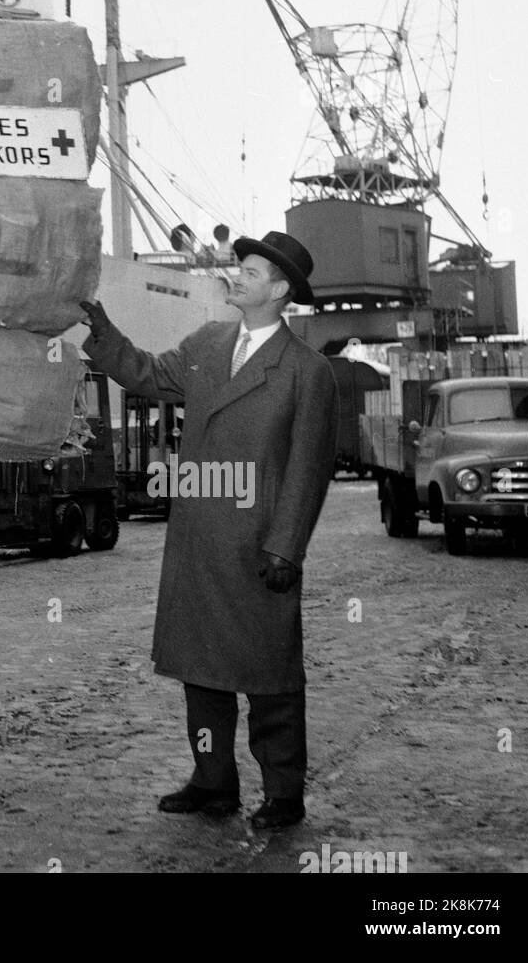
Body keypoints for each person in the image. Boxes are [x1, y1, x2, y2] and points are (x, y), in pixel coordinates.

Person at [80, 231, 337, 831]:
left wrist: (286, 546)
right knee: (201, 672)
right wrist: (106, 333)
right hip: (199, 538)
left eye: (250, 271)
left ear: (280, 291)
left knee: (270, 676)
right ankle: (212, 781)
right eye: (240, 267)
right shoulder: (206, 343)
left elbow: (310, 465)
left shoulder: (307, 371)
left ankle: (283, 792)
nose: (237, 276)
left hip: (258, 547)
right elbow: (146, 373)